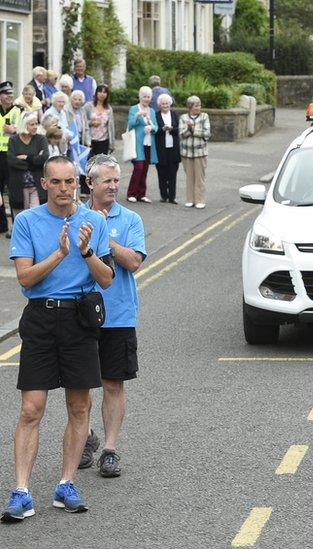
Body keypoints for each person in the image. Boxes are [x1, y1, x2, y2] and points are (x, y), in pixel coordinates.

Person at [1, 155, 113, 522]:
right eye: (57, 182)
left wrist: (85, 251)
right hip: (41, 318)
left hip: (79, 319)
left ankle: (66, 484)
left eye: (70, 182)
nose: (65, 189)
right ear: (45, 184)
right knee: (32, 408)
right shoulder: (27, 222)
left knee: (79, 407)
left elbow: (107, 278)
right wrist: (59, 253)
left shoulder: (94, 221)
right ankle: (21, 491)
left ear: (77, 184)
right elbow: (26, 279)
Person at [77, 155, 146, 477]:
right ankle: (85, 436)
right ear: (89, 183)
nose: (114, 186)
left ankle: (110, 449)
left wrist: (104, 234)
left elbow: (133, 262)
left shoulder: (130, 219)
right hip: (79, 314)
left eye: (117, 180)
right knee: (79, 385)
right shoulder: (75, 217)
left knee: (113, 384)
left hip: (118, 314)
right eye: (107, 181)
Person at [8, 113, 49, 211]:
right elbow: (12, 161)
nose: (35, 127)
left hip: (36, 184)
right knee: (21, 215)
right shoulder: (13, 140)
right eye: (32, 124)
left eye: (36, 124)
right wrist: (35, 162)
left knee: (36, 214)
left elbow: (44, 158)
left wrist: (26, 157)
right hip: (19, 184)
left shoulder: (41, 139)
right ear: (24, 125)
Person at [125, 86, 157, 203]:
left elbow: (156, 127)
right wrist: (138, 116)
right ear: (140, 97)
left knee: (145, 169)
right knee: (138, 168)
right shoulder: (134, 109)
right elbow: (131, 124)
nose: (146, 99)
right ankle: (131, 193)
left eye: (148, 97)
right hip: (137, 143)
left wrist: (151, 127)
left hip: (148, 143)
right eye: (144, 96)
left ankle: (141, 194)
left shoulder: (152, 111)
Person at [179, 96, 210, 209]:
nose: (198, 107)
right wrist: (188, 129)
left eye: (199, 105)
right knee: (189, 177)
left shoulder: (204, 116)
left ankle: (200, 200)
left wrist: (193, 129)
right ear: (190, 107)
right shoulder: (183, 117)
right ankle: (190, 199)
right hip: (186, 152)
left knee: (199, 177)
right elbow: (181, 134)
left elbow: (207, 134)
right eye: (196, 105)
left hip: (200, 152)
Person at [0, 80, 20, 237]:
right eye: (6, 93)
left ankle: (15, 226)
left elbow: (24, 131)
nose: (9, 96)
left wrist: (14, 130)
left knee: (13, 190)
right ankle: (2, 224)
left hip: (11, 154)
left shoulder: (18, 110)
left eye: (11, 94)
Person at [153, 94, 180, 205]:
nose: (165, 105)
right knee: (162, 173)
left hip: (173, 149)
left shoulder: (174, 114)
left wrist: (171, 129)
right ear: (159, 105)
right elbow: (154, 130)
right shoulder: (156, 115)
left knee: (173, 174)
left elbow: (179, 129)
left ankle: (172, 197)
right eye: (163, 103)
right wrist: (162, 129)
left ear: (170, 104)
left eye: (167, 103)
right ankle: (164, 195)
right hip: (161, 149)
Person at [81, 85, 114, 157]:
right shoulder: (88, 106)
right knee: (90, 163)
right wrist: (91, 123)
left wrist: (112, 144)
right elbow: (82, 121)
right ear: (96, 93)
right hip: (90, 140)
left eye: (105, 92)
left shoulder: (108, 108)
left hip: (104, 140)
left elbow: (111, 127)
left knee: (101, 163)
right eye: (100, 92)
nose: (102, 94)